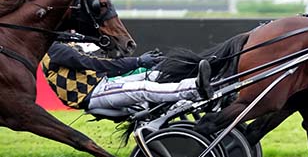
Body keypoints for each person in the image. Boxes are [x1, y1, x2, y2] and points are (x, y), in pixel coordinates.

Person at [41, 42, 214, 111]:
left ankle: (203, 98)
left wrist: (143, 62)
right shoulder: (56, 50)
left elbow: (104, 65)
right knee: (142, 89)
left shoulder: (65, 44)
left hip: (104, 83)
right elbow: (96, 63)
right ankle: (195, 88)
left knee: (154, 76)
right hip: (90, 95)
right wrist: (138, 61)